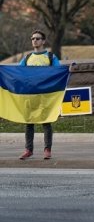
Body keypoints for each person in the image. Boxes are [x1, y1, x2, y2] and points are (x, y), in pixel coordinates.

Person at [19, 30, 62, 160]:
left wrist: (68, 70)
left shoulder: (50, 57)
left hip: (45, 96)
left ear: (43, 41)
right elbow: (18, 73)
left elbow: (58, 72)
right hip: (30, 96)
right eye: (33, 39)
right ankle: (28, 149)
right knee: (29, 123)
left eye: (37, 38)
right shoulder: (27, 58)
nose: (35, 41)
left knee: (46, 122)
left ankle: (47, 149)